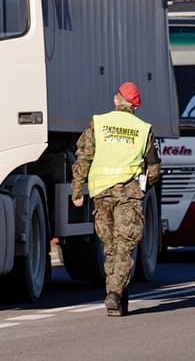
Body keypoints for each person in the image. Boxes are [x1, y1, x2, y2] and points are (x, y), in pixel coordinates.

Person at [70, 81, 160, 317]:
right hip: (129, 195)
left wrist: (77, 189)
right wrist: (144, 188)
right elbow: (154, 169)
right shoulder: (143, 129)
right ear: (136, 106)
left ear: (116, 100)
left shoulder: (98, 123)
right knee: (123, 246)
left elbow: (83, 158)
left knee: (110, 247)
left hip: (101, 193)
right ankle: (115, 293)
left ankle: (116, 298)